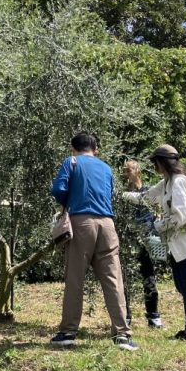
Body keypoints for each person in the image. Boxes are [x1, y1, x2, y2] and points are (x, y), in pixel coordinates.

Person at [49, 133, 138, 350]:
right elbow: (109, 194)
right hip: (107, 224)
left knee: (75, 279)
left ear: (73, 148)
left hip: (81, 223)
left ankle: (68, 332)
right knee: (113, 279)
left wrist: (68, 202)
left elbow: (58, 190)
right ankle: (122, 335)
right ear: (95, 149)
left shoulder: (71, 162)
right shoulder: (106, 168)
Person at [122, 145, 186, 340]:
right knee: (185, 287)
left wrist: (158, 225)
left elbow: (182, 215)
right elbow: (144, 198)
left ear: (163, 161)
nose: (154, 166)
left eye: (155, 162)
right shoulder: (167, 182)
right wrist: (118, 195)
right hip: (175, 242)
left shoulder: (179, 182)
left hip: (183, 241)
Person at [121, 159, 164, 328]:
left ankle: (153, 317)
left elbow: (158, 212)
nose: (125, 173)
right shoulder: (122, 195)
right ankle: (126, 316)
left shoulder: (149, 191)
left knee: (148, 277)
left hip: (146, 241)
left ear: (137, 171)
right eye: (124, 170)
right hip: (128, 240)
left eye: (128, 170)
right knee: (126, 279)